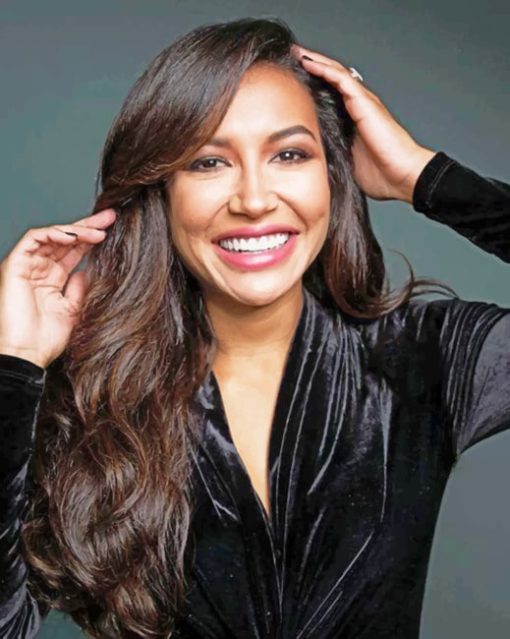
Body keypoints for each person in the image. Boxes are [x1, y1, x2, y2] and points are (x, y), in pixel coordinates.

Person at [0, 15, 509, 639]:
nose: (253, 199)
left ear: (333, 176)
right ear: (161, 190)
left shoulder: (426, 357)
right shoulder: (86, 397)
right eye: (208, 162)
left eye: (289, 155)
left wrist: (426, 178)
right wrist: (14, 363)